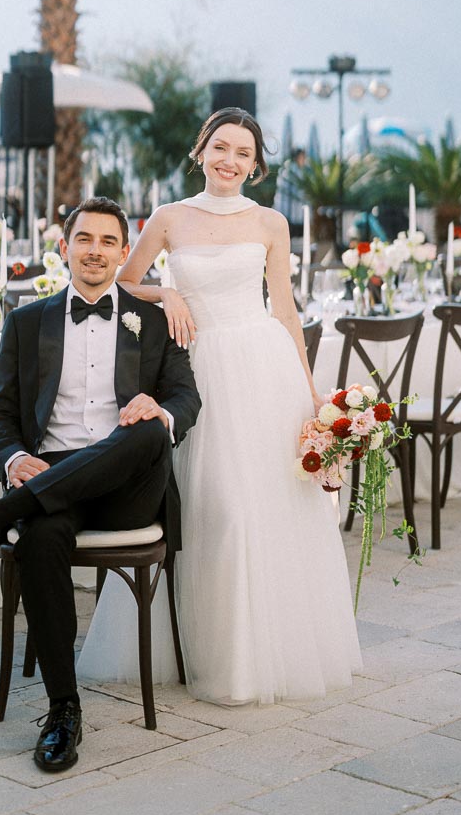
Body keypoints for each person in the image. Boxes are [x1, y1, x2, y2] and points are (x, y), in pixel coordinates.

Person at [77, 107, 362, 704]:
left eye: (243, 153)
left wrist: (311, 391)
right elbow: (120, 284)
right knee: (215, 509)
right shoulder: (168, 217)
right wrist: (167, 291)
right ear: (201, 150)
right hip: (196, 369)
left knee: (268, 509)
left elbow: (285, 309)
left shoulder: (271, 223)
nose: (230, 161)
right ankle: (205, 653)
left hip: (264, 369)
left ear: (256, 166)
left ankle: (259, 658)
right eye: (220, 147)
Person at [0, 197, 201, 772]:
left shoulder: (152, 321)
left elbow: (187, 399)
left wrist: (158, 406)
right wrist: (11, 459)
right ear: (64, 248)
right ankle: (63, 710)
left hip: (127, 484)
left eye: (109, 242)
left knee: (152, 429)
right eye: (85, 239)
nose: (96, 251)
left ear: (125, 253)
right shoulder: (27, 323)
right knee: (39, 539)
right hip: (52, 478)